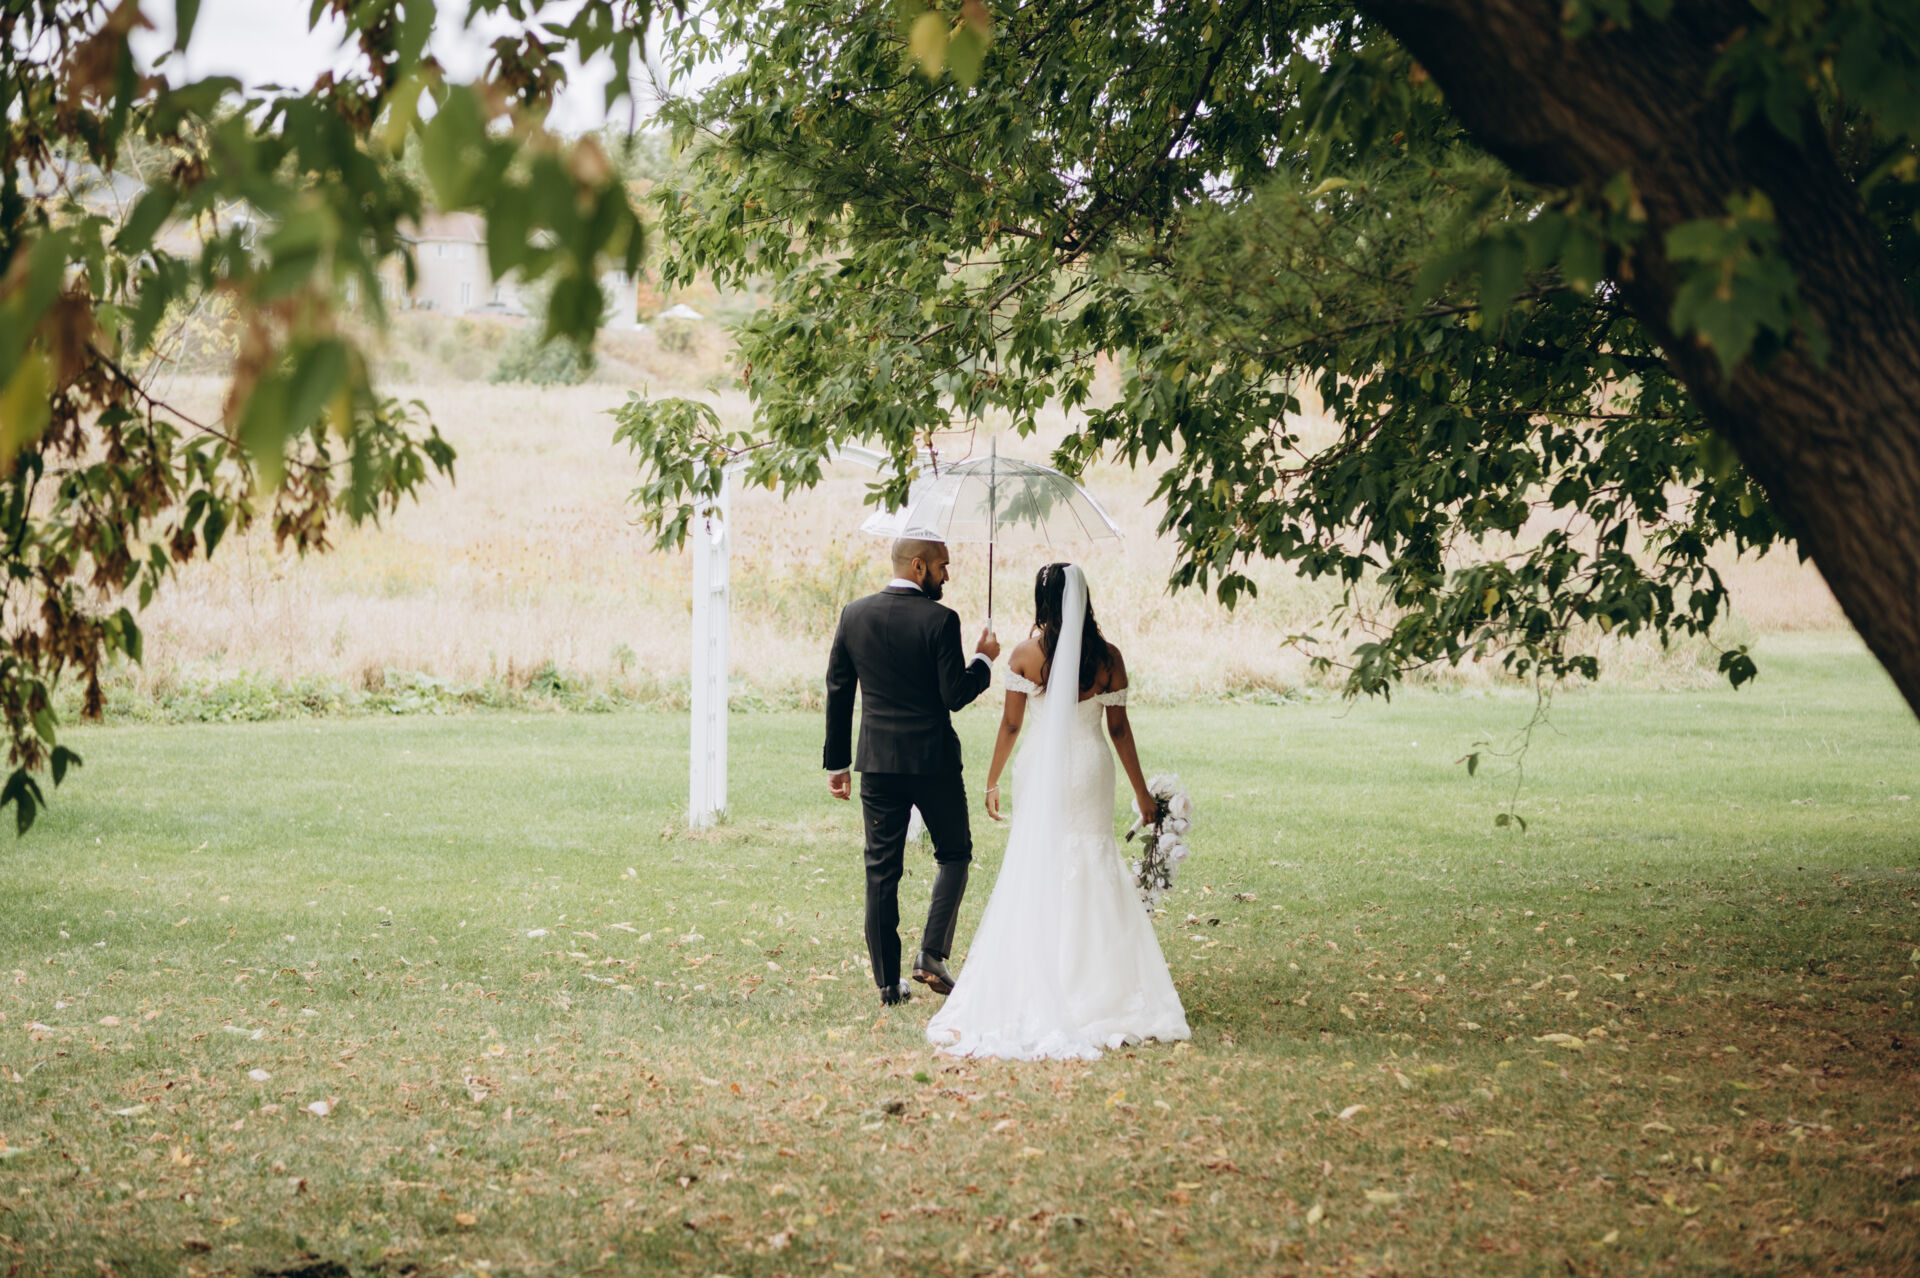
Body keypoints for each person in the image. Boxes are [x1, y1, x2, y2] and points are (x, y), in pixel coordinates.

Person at [926, 563, 1190, 1059]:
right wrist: (1140, 792)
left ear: (1041, 601)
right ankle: (1100, 983)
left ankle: (1040, 974)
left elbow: (1011, 725)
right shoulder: (1108, 658)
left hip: (1040, 769)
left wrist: (991, 779)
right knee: (1093, 856)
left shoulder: (1026, 656)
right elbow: (1118, 730)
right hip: (1091, 767)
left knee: (1040, 859)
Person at [823, 538, 1000, 1006]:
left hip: (878, 765)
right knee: (955, 853)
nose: (947, 575)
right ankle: (931, 954)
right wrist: (984, 660)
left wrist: (838, 763)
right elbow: (954, 694)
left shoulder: (854, 614)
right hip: (933, 763)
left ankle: (887, 983)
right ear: (919, 566)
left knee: (881, 871)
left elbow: (839, 689)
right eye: (942, 566)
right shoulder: (941, 620)